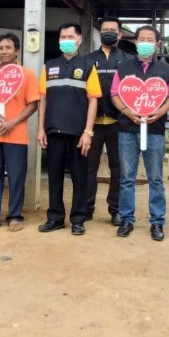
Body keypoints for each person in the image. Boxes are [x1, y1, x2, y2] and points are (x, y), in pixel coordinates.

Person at [110, 26, 169, 241]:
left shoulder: (165, 69)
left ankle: (157, 222)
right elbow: (114, 94)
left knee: (155, 178)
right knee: (127, 178)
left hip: (155, 131)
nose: (146, 43)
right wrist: (127, 112)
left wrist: (159, 113)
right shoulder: (123, 67)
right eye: (142, 39)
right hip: (127, 130)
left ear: (157, 44)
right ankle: (127, 219)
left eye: (150, 39)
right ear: (136, 42)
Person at [37, 22, 101, 236]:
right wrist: (40, 129)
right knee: (54, 177)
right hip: (53, 131)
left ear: (79, 40)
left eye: (70, 37)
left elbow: (93, 101)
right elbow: (43, 100)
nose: (66, 40)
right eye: (63, 37)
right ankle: (55, 218)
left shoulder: (88, 65)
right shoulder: (49, 66)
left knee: (79, 177)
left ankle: (78, 219)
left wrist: (88, 132)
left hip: (78, 133)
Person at [0, 33, 40, 231]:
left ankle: (15, 216)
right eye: (1, 48)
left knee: (16, 176)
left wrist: (13, 122)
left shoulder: (27, 74)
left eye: (8, 47)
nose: (4, 51)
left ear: (17, 51)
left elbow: (33, 104)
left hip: (17, 135)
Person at [85, 16, 132, 224]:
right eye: (105, 30)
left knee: (118, 168)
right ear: (99, 33)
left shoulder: (128, 61)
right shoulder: (87, 59)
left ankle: (115, 210)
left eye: (113, 29)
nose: (109, 33)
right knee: (89, 168)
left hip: (119, 123)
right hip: (92, 124)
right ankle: (86, 208)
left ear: (120, 34)